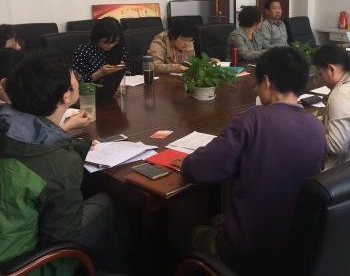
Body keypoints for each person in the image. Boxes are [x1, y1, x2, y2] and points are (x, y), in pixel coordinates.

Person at [180, 47, 326, 275]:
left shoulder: (253, 119)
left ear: (267, 82)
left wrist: (187, 160)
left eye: (257, 83)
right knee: (218, 218)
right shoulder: (317, 128)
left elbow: (199, 169)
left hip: (247, 250)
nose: (256, 89)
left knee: (188, 233)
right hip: (293, 248)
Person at [0, 50, 128, 275]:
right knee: (110, 201)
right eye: (74, 79)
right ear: (66, 97)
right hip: (24, 268)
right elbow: (62, 243)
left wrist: (75, 145)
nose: (77, 81)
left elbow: (33, 145)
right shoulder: (61, 164)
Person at [147, 20, 219, 73]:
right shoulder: (159, 42)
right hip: (163, 82)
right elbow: (154, 66)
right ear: (173, 36)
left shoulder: (189, 41)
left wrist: (208, 60)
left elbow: (192, 61)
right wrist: (177, 68)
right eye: (183, 39)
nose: (187, 44)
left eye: (190, 40)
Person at [72, 17, 128, 82]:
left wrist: (122, 69)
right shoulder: (82, 51)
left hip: (118, 85)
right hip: (92, 87)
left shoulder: (118, 46)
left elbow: (129, 69)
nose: (111, 45)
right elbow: (76, 82)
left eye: (114, 41)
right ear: (97, 38)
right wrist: (99, 74)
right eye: (106, 42)